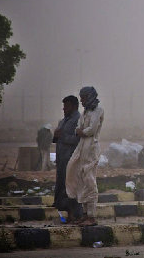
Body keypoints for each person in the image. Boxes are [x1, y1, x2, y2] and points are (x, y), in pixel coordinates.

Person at [65, 86, 104, 226]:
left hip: (91, 149)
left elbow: (91, 130)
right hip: (81, 148)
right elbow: (78, 128)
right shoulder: (85, 112)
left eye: (84, 97)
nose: (82, 100)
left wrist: (82, 131)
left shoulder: (98, 111)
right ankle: (85, 214)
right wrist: (80, 131)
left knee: (89, 180)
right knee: (79, 178)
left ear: (90, 97)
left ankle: (92, 216)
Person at [52, 95, 83, 223]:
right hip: (62, 160)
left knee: (71, 188)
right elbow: (58, 139)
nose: (64, 109)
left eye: (67, 106)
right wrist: (56, 136)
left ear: (74, 106)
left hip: (71, 160)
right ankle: (67, 213)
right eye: (63, 106)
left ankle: (74, 214)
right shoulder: (63, 121)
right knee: (62, 187)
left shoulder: (78, 120)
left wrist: (63, 136)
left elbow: (78, 139)